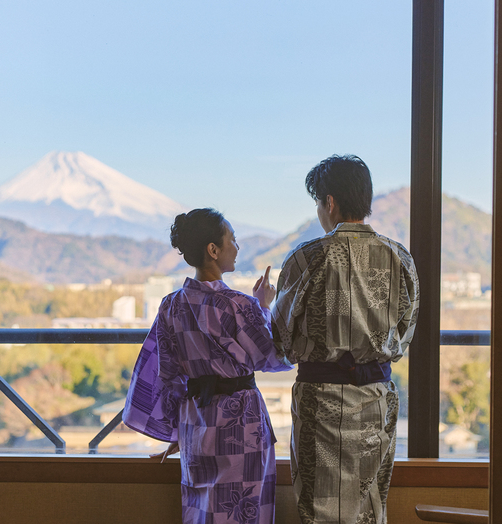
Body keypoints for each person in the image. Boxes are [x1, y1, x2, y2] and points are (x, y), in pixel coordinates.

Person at [271, 155, 419, 524]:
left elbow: (281, 340)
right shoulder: (400, 258)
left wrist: (266, 307)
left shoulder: (308, 257)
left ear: (330, 202)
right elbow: (404, 333)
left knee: (319, 508)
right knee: (369, 506)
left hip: (320, 400)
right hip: (376, 397)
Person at [123, 208, 292, 524]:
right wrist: (264, 307)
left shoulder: (171, 305)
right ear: (213, 250)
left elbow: (168, 374)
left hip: (196, 423)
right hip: (242, 424)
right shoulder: (238, 305)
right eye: (232, 239)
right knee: (245, 511)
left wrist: (176, 432)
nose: (237, 247)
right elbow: (273, 357)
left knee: (202, 511)